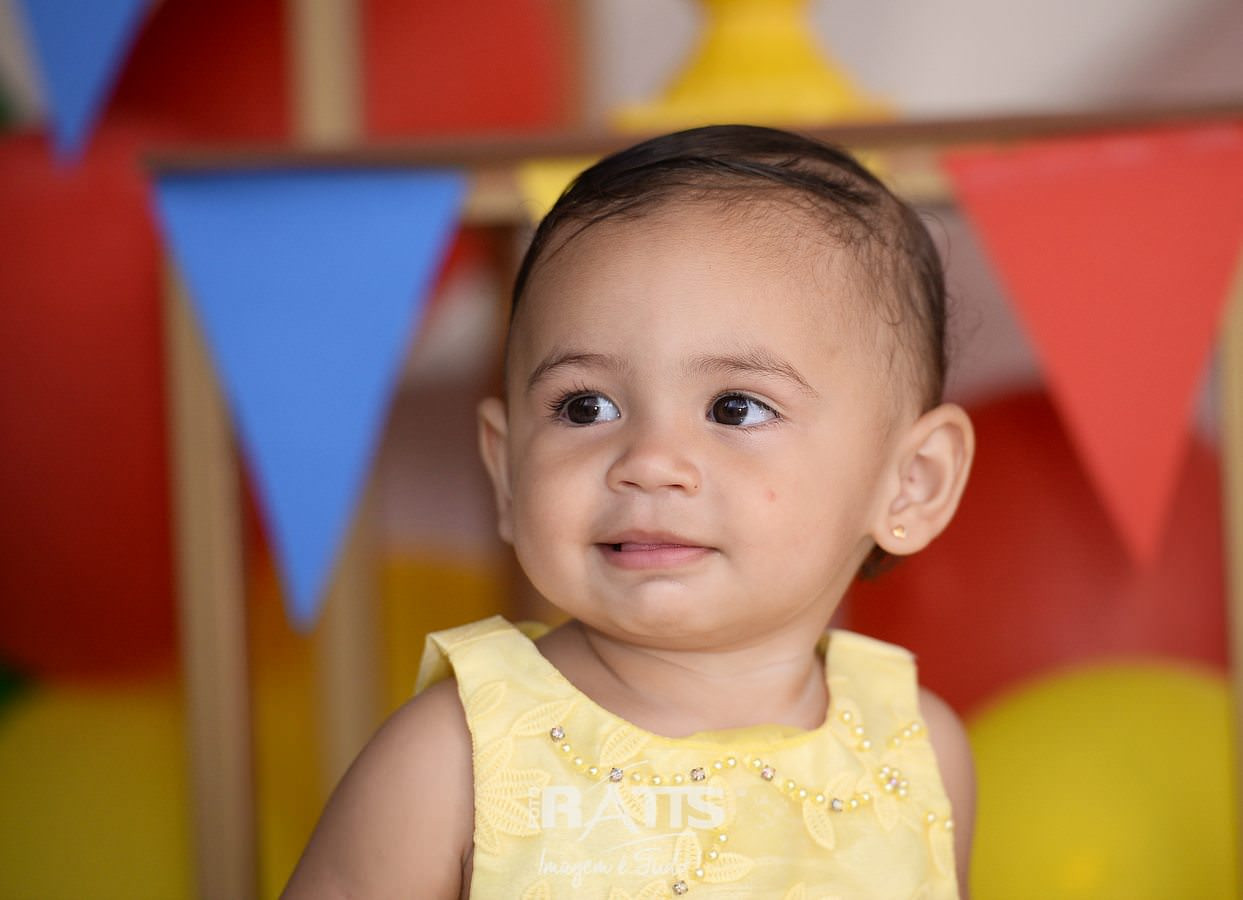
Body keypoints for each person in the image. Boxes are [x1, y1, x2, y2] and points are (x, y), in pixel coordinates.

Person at [283, 124, 976, 899]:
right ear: (507, 472)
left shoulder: (916, 751)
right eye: (585, 407)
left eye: (736, 407)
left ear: (910, 483)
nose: (649, 460)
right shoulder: (453, 760)